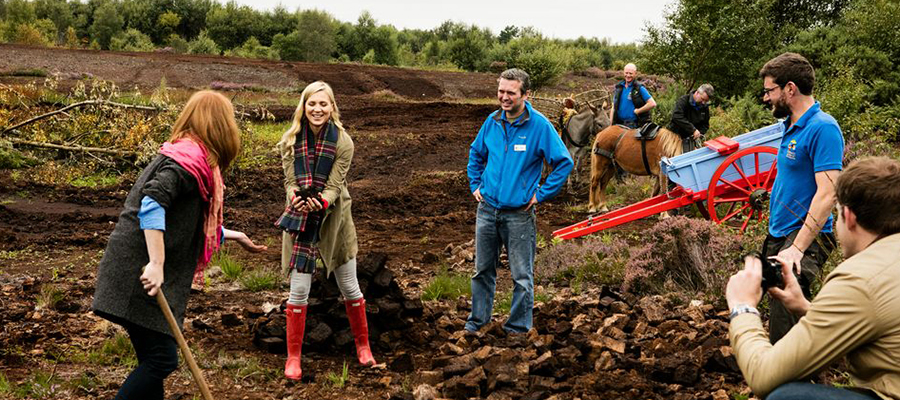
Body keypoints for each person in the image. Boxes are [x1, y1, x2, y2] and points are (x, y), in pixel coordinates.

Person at [92, 90, 267, 400]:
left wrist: (230, 235)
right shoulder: (187, 162)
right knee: (162, 359)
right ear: (220, 126)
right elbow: (151, 204)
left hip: (135, 272)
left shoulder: (186, 157)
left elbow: (182, 222)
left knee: (152, 360)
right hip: (141, 276)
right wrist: (156, 263)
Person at [725, 156, 900, 400]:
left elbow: (763, 375)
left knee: (788, 396)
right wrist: (808, 308)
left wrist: (742, 307)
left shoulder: (858, 279)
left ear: (848, 217)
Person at [275, 81, 374, 381]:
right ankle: (293, 358)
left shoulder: (344, 142)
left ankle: (363, 346)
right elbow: (290, 181)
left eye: (323, 104)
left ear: (332, 108)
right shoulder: (289, 141)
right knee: (299, 290)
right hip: (300, 218)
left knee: (349, 285)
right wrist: (296, 199)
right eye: (312, 104)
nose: (317, 110)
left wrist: (319, 202)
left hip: (334, 218)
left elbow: (334, 187)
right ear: (303, 107)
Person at [465, 68, 573, 334]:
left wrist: (540, 194)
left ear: (526, 94)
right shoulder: (492, 121)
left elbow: (563, 163)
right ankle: (477, 323)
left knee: (522, 276)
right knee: (482, 271)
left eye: (511, 93)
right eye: (501, 91)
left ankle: (517, 329)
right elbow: (476, 154)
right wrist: (476, 184)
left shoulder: (539, 126)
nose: (504, 97)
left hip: (519, 214)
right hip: (488, 210)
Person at [758, 52, 844, 344]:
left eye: (770, 90)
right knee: (778, 301)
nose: (766, 97)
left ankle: (786, 383)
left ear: (790, 89)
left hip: (804, 235)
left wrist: (797, 248)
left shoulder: (823, 127)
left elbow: (828, 192)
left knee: (785, 305)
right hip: (781, 231)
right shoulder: (790, 125)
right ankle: (801, 366)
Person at [667, 83, 714, 153]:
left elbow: (705, 125)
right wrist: (693, 129)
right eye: (702, 99)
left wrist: (699, 133)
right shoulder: (683, 101)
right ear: (697, 92)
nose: (704, 103)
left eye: (706, 101)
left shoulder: (704, 107)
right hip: (674, 136)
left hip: (690, 140)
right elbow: (676, 116)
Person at [609, 63, 657, 128]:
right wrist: (610, 124)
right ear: (623, 73)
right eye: (626, 73)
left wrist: (638, 111)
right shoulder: (619, 87)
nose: (628, 75)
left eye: (630, 73)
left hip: (633, 125)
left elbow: (652, 103)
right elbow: (613, 106)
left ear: (635, 74)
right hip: (618, 123)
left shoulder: (639, 88)